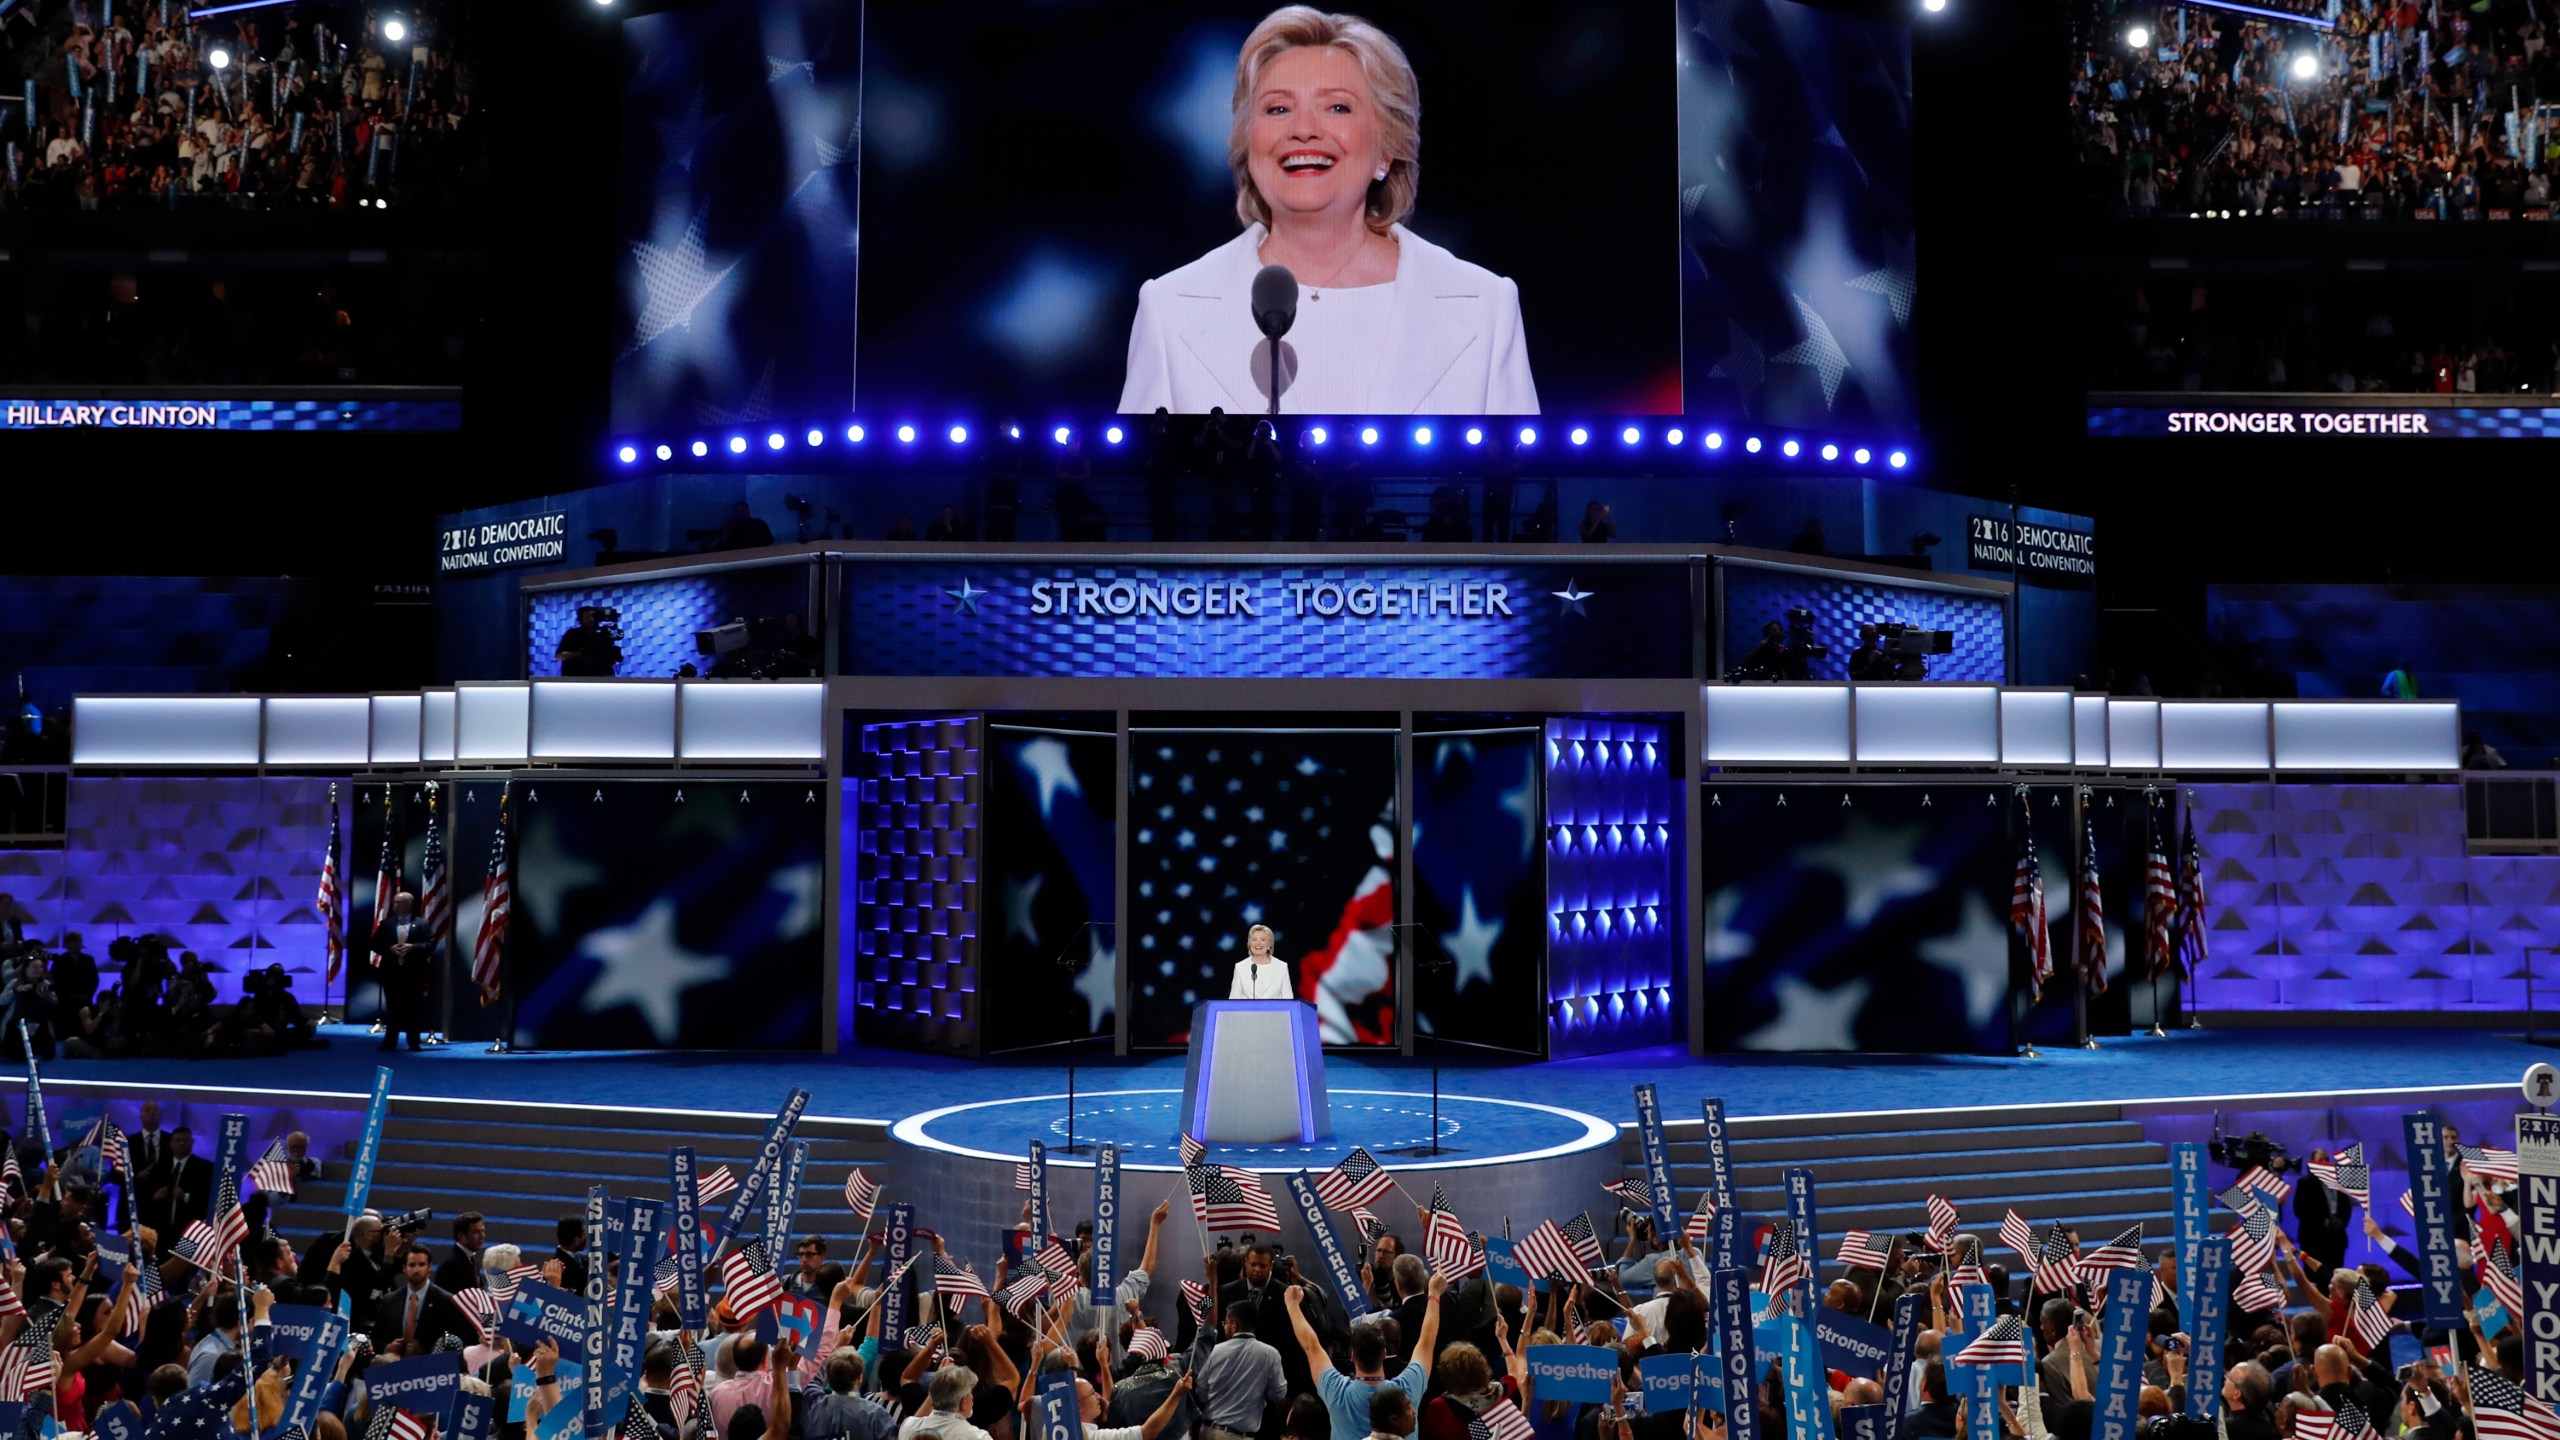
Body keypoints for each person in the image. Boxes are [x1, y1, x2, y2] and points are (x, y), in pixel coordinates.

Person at [1118, 7, 1537, 416]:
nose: (1303, 129)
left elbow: (1519, 465)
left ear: (1386, 150)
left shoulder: (1485, 305)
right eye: (1278, 109)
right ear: (1248, 143)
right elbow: (1139, 466)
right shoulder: (1170, 308)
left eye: (1338, 107)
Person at [1286, 1272, 1444, 1440]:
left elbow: (1311, 1345)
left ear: (1353, 1356)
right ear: (1384, 1354)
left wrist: (1292, 1305)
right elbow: (1427, 1341)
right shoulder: (1407, 1389)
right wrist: (1434, 1294)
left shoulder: (1335, 1391)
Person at [371, 1240, 473, 1357]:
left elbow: (455, 1342)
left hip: (430, 1365)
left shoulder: (446, 1301)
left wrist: (426, 1350)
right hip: (394, 1364)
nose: (417, 1270)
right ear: (404, 1268)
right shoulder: (390, 1300)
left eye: (421, 1265)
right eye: (412, 1265)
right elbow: (376, 1338)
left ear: (429, 1267)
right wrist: (387, 1348)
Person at [370, 890, 434, 1051]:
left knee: (414, 1008)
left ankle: (413, 1041)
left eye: (398, 902)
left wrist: (413, 947)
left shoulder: (422, 924)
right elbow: (374, 944)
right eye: (394, 902)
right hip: (392, 973)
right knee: (393, 1008)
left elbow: (430, 944)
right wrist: (389, 949)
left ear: (408, 904)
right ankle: (390, 1041)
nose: (394, 905)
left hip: (414, 973)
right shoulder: (386, 924)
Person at [1230, 923, 1294, 999]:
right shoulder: (1240, 967)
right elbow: (1234, 1000)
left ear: (1269, 944)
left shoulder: (1281, 967)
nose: (1258, 943)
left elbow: (1288, 998)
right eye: (1254, 939)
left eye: (1262, 940)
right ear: (1249, 944)